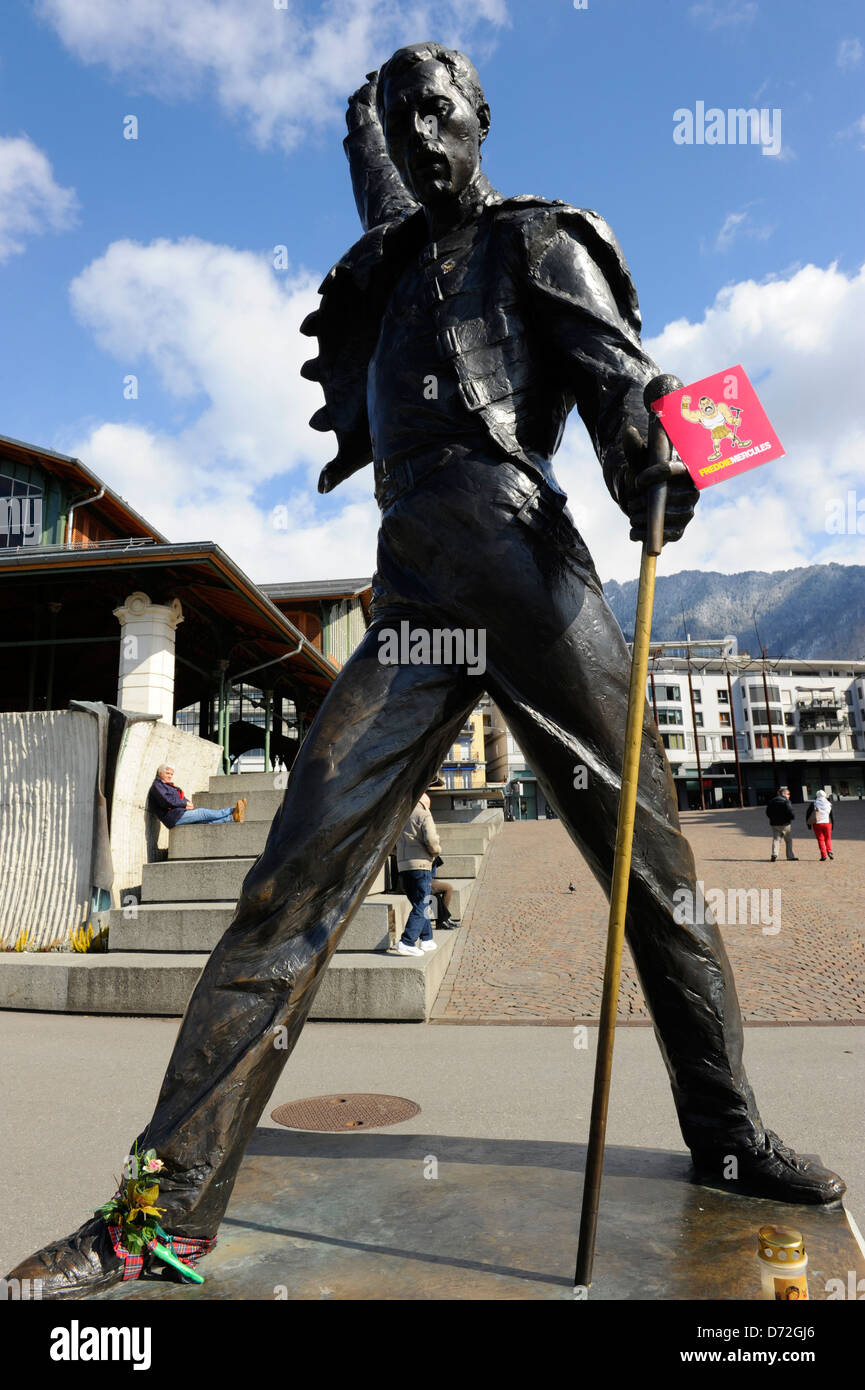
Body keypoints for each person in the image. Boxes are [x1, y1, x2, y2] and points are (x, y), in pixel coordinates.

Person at [9, 41, 844, 1301]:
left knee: (654, 868)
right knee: (287, 884)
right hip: (412, 602)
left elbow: (625, 383)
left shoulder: (537, 240)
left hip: (529, 577)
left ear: (482, 120)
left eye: (437, 115)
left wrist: (648, 455)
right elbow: (379, 178)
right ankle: (158, 1210)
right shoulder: (393, 260)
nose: (417, 140)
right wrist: (364, 117)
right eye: (400, 125)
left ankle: (726, 1130)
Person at [395, 791, 441, 955]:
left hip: (403, 866)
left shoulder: (401, 814)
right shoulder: (423, 813)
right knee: (422, 904)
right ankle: (407, 941)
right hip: (421, 864)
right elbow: (431, 841)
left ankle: (427, 939)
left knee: (419, 903)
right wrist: (436, 851)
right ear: (425, 803)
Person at [148, 763, 246, 827]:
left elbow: (176, 798)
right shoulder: (157, 786)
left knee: (205, 822)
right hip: (173, 817)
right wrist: (184, 803)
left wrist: (187, 803)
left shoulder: (167, 785)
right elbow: (167, 801)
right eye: (167, 773)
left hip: (178, 814)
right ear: (159, 773)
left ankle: (232, 818)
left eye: (171, 774)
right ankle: (232, 810)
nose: (169, 776)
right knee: (202, 813)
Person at [765, 786, 797, 862]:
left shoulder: (772, 801)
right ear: (783, 793)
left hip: (774, 824)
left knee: (776, 840)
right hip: (785, 824)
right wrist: (792, 817)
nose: (789, 795)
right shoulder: (786, 801)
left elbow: (767, 812)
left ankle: (774, 854)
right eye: (788, 794)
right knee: (788, 840)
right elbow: (790, 811)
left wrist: (772, 818)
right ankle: (790, 856)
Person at [806, 789, 835, 861]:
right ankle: (830, 851)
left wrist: (808, 824)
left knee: (820, 839)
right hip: (828, 823)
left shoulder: (814, 803)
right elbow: (832, 816)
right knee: (828, 838)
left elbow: (808, 814)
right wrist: (833, 825)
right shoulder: (829, 803)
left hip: (817, 824)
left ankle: (823, 855)